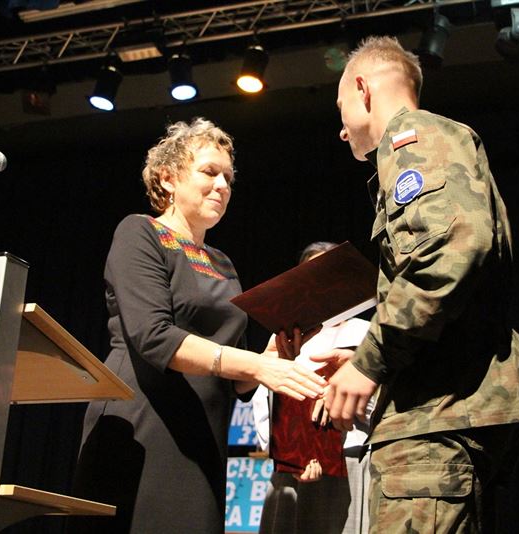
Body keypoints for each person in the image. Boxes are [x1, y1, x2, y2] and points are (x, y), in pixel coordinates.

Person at [313, 36, 519, 533]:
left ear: (363, 89)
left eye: (341, 107)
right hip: (445, 405)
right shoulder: (424, 143)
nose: (341, 129)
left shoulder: (412, 137)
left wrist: (369, 361)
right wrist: (363, 363)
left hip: (438, 415)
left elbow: (452, 250)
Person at [68, 118, 326, 533]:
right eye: (209, 172)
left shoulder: (222, 262)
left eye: (229, 178)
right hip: (142, 420)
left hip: (203, 432)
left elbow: (237, 380)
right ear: (168, 178)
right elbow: (153, 337)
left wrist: (271, 355)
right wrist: (257, 365)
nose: (222, 185)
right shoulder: (140, 232)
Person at [252, 241, 375, 534]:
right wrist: (291, 454)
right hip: (292, 469)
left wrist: (342, 396)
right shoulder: (284, 338)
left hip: (350, 462)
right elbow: (263, 402)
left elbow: (385, 403)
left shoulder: (368, 334)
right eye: (312, 275)